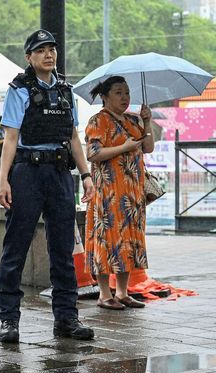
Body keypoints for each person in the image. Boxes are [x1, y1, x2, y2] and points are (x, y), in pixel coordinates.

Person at [0, 29, 95, 343]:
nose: (48, 54)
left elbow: (74, 138)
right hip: (27, 173)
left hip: (60, 173)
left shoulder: (66, 91)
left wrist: (86, 175)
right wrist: (3, 181)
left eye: (52, 49)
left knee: (63, 249)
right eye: (40, 50)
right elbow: (10, 140)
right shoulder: (19, 89)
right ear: (29, 57)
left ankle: (67, 319)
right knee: (16, 249)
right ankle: (9, 320)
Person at [84, 76, 154, 310]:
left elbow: (148, 147)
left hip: (133, 193)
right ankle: (105, 294)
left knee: (128, 240)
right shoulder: (98, 121)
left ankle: (123, 292)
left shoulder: (133, 120)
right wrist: (123, 148)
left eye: (126, 92)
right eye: (118, 92)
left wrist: (147, 122)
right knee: (107, 240)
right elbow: (92, 154)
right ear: (105, 96)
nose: (124, 97)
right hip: (108, 193)